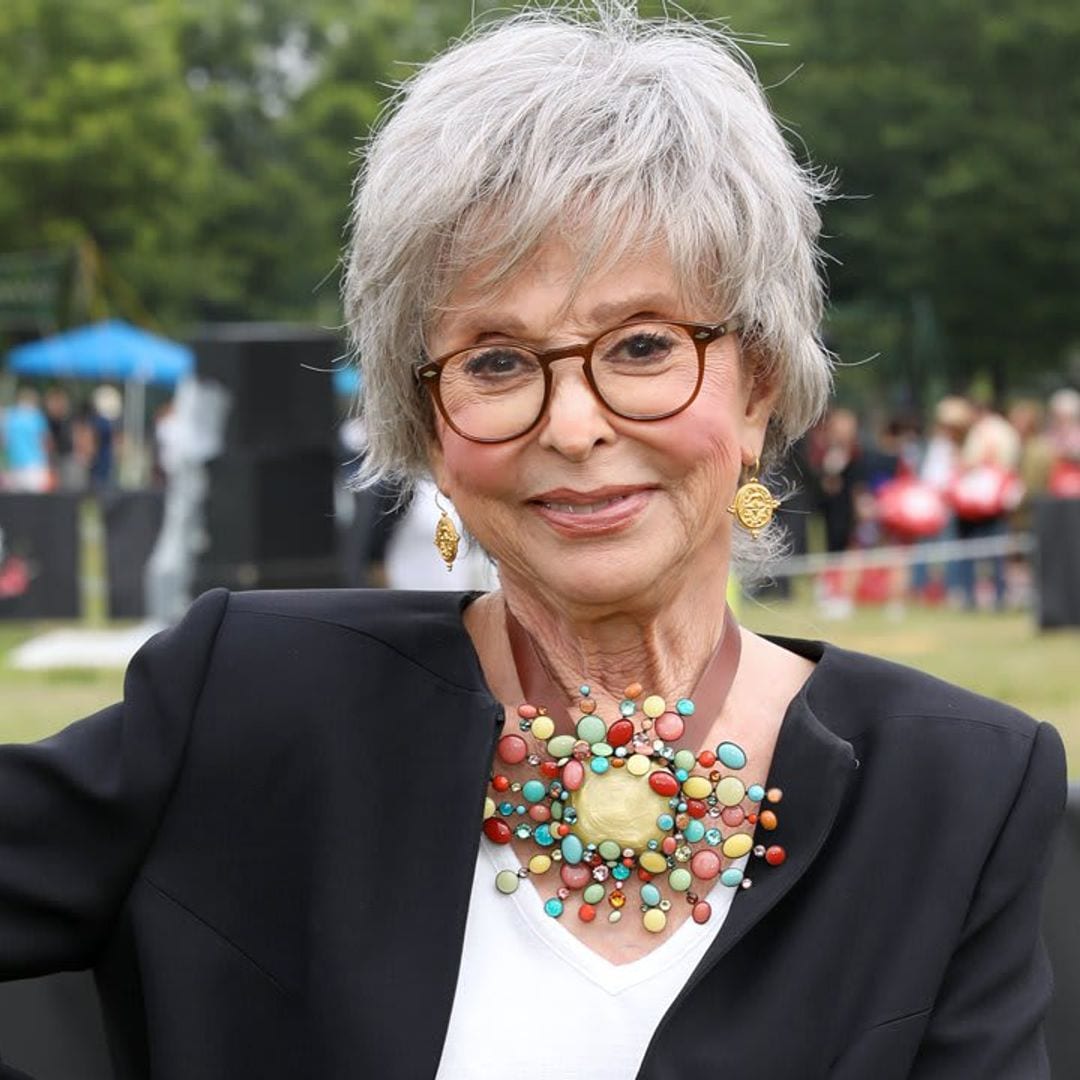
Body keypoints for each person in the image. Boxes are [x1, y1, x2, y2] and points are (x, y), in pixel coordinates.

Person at [0, 6, 1065, 1079]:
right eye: (498, 362)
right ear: (426, 423)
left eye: (644, 345)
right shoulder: (248, 702)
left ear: (760, 388)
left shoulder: (959, 789)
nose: (573, 423)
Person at [1, 386, 51, 493]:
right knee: (35, 504)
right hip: (35, 465)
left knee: (15, 504)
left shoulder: (8, 416)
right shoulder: (36, 415)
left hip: (13, 464)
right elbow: (44, 441)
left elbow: (4, 442)